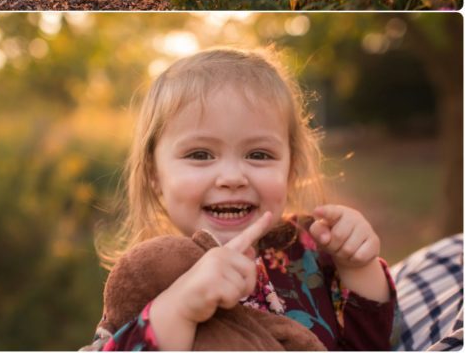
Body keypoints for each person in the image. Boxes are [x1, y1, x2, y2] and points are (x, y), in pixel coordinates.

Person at [90, 47, 400, 352]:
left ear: (290, 169)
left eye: (258, 154)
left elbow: (376, 344)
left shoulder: (312, 251)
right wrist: (178, 308)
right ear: (153, 174)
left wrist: (358, 266)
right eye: (200, 154)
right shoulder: (150, 276)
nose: (232, 177)